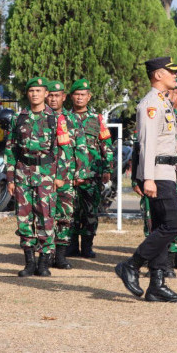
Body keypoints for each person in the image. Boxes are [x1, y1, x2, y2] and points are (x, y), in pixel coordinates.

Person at [115, 57, 177, 302]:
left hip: (166, 171)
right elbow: (146, 144)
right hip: (157, 175)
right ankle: (131, 265)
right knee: (173, 225)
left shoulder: (163, 102)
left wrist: (176, 146)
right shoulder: (151, 104)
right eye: (172, 72)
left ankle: (156, 285)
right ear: (158, 75)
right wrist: (148, 178)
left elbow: (159, 140)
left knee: (161, 227)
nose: (175, 76)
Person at [5, 77, 71, 277]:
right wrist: (10, 178)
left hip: (46, 175)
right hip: (22, 174)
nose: (35, 94)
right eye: (31, 90)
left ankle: (44, 263)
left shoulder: (56, 118)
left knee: (46, 218)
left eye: (38, 91)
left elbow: (64, 148)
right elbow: (10, 148)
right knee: (24, 219)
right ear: (27, 94)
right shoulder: (19, 117)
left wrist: (60, 175)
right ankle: (29, 262)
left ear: (45, 94)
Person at [67, 79, 114, 258]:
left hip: (92, 174)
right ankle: (70, 245)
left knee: (90, 211)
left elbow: (106, 144)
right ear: (71, 96)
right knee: (70, 210)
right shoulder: (64, 118)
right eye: (77, 94)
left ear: (89, 97)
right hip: (70, 173)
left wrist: (107, 168)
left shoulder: (97, 120)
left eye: (83, 95)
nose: (79, 98)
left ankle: (87, 246)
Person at [45, 80, 88, 270]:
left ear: (64, 97)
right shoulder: (39, 118)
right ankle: (46, 254)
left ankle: (61, 256)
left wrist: (81, 172)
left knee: (64, 216)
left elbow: (81, 147)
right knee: (44, 215)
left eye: (57, 96)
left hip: (66, 176)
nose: (53, 99)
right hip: (43, 176)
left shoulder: (72, 120)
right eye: (50, 95)